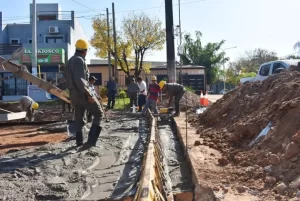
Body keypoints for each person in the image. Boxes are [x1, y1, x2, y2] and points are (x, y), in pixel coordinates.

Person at [64, 39, 103, 148]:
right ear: (85, 50)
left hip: (74, 96)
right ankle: (91, 142)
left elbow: (68, 79)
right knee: (99, 113)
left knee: (79, 118)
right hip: (82, 95)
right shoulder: (79, 61)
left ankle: (79, 142)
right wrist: (88, 95)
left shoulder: (70, 61)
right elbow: (80, 80)